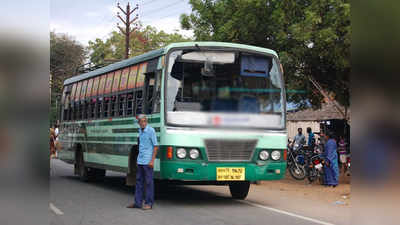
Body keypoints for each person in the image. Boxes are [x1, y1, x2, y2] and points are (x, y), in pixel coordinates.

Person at [127, 115, 158, 210]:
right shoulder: (140, 131)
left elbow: (156, 146)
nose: (143, 123)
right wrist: (137, 160)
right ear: (139, 123)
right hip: (140, 161)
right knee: (139, 182)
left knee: (149, 183)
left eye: (145, 121)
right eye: (142, 121)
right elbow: (140, 146)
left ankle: (149, 203)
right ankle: (138, 203)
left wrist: (152, 161)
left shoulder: (151, 131)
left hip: (148, 162)